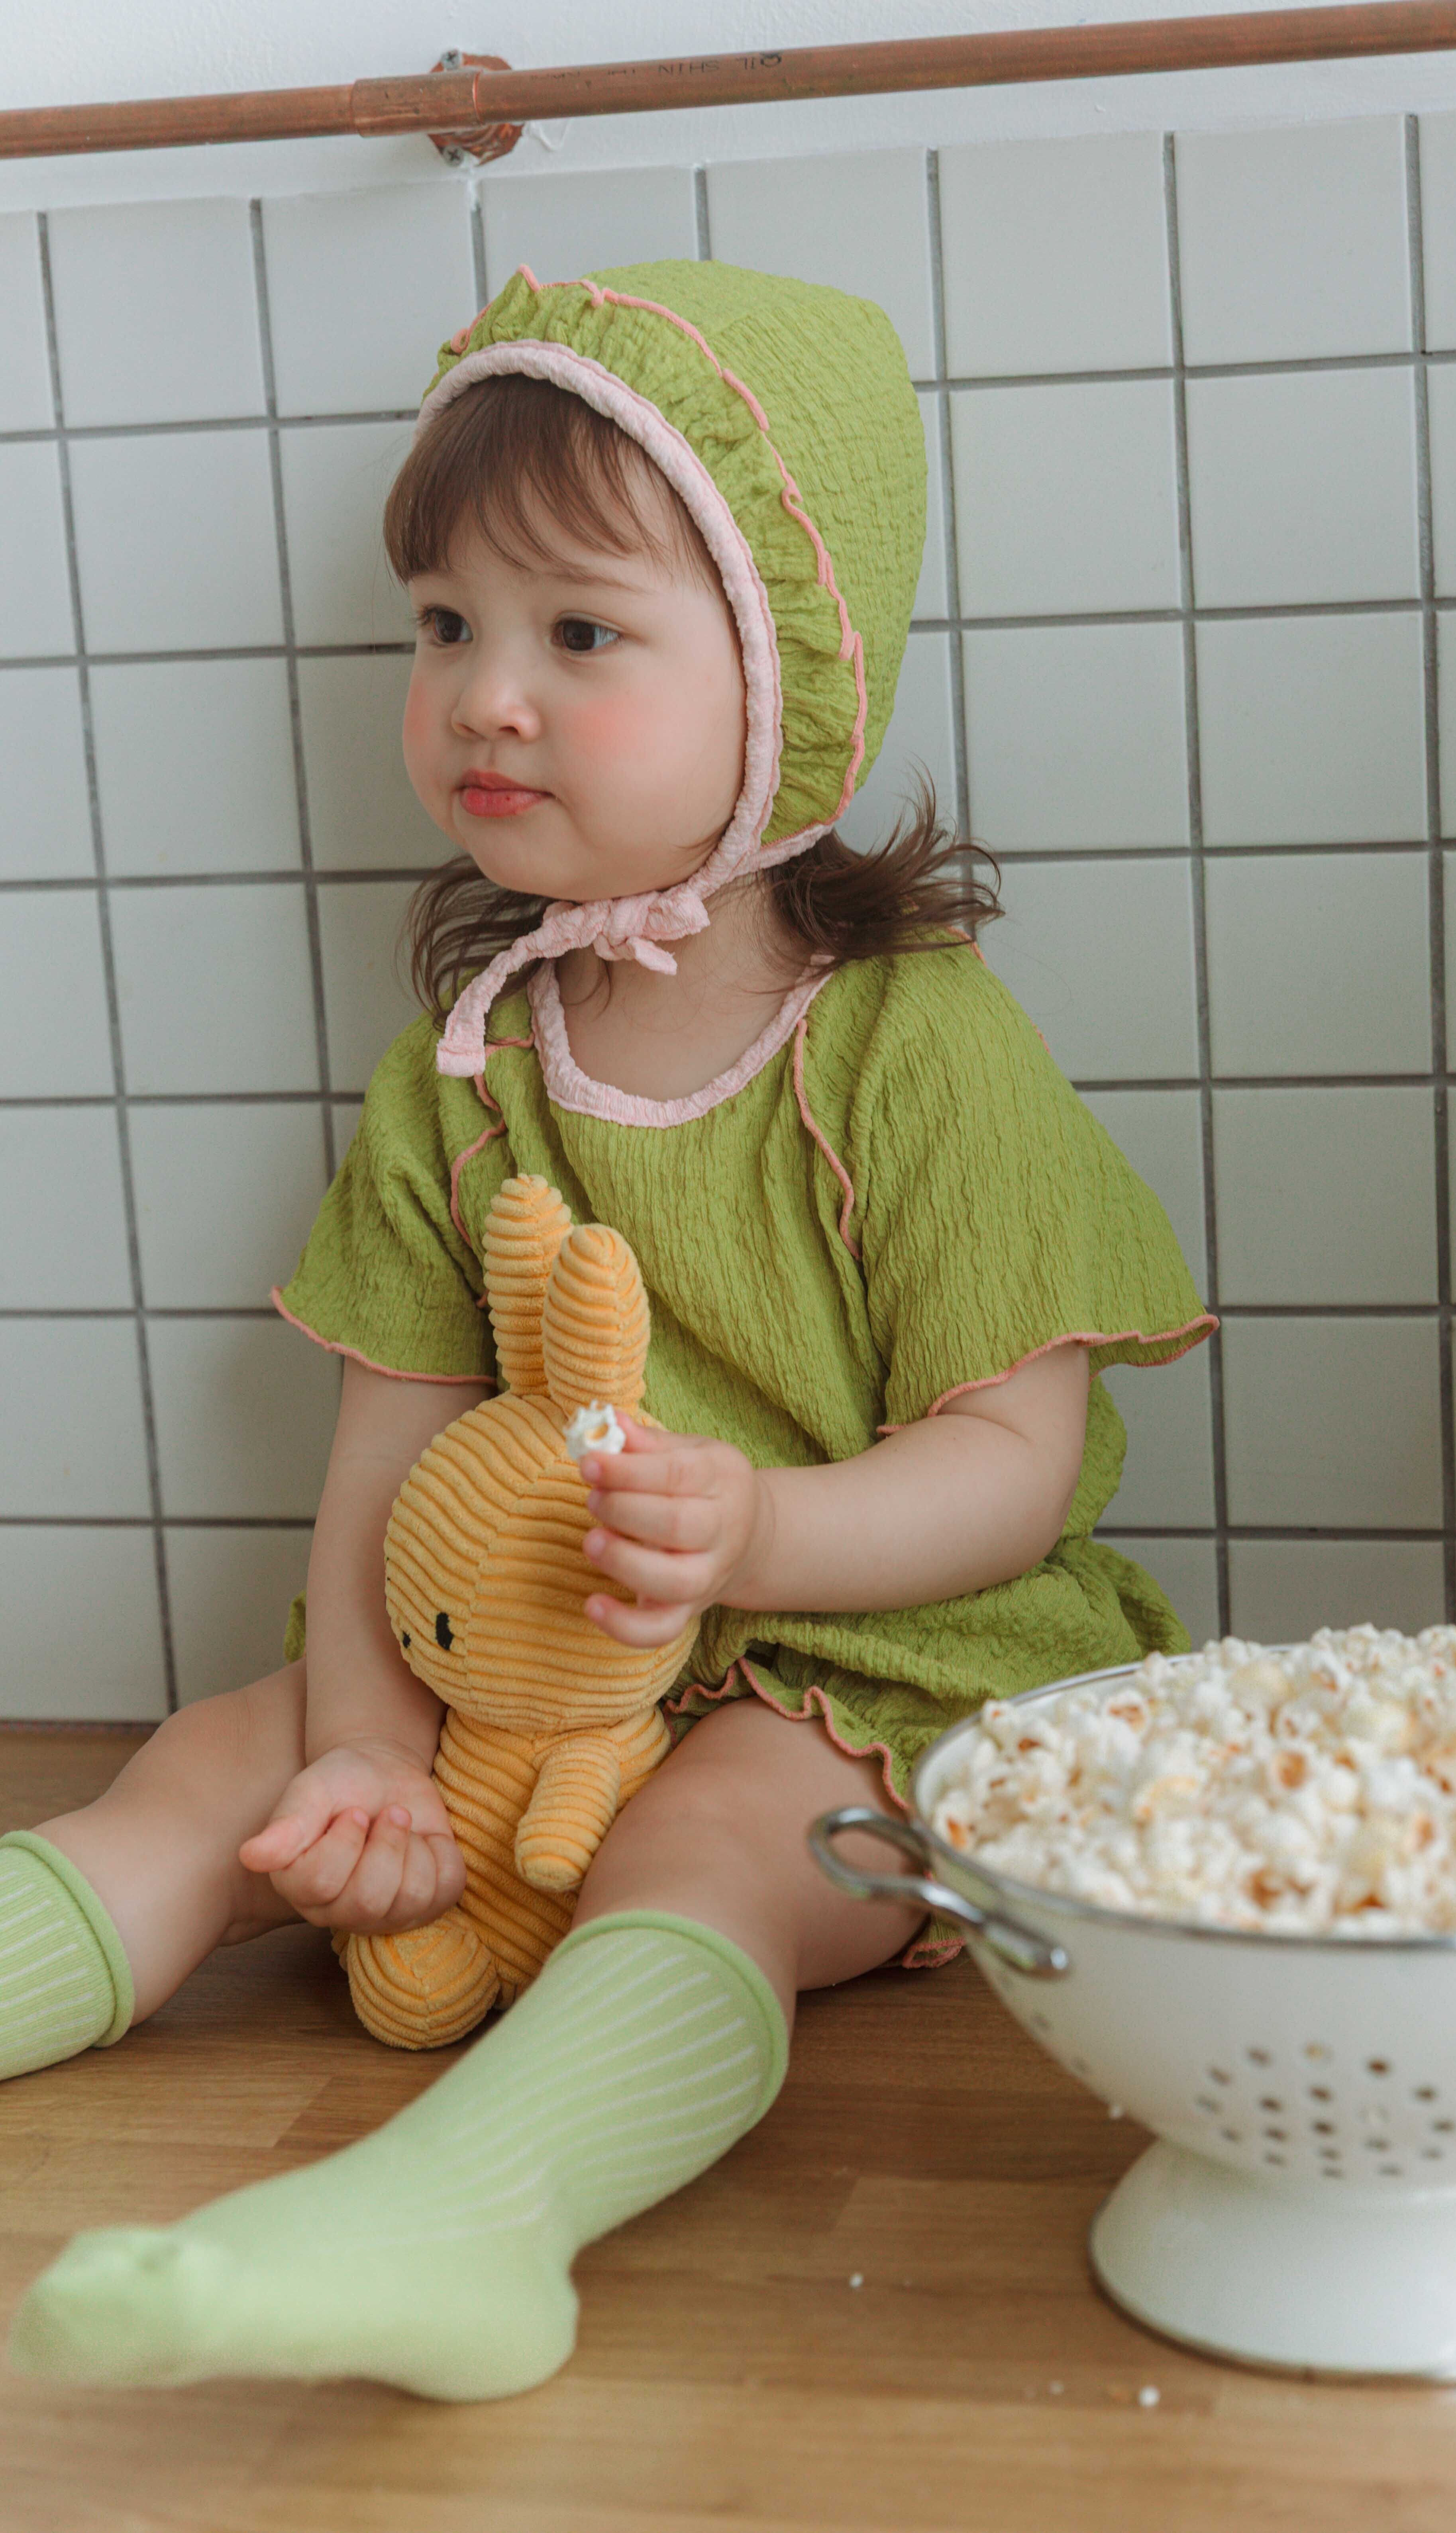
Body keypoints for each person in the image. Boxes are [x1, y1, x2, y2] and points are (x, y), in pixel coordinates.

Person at [4, 260, 1213, 2400]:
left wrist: (760, 1533)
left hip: (865, 1663)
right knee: (214, 1759)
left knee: (709, 1839)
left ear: (788, 674)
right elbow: (385, 1463)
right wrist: (366, 1744)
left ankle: (484, 2216)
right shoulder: (466, 1064)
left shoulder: (915, 1047)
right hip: (530, 1658)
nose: (487, 694)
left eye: (580, 633)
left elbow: (1013, 1467)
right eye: (444, 624)